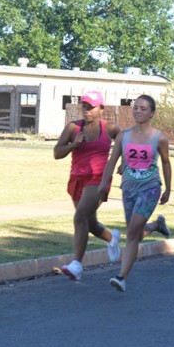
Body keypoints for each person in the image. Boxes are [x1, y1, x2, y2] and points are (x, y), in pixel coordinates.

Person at [98, 95, 172, 292]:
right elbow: (112, 160)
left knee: (131, 234)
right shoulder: (124, 136)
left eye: (143, 108)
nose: (138, 111)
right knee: (135, 233)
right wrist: (104, 183)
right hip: (129, 189)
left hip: (150, 188)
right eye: (136, 107)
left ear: (152, 113)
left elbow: (165, 162)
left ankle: (121, 277)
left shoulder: (159, 138)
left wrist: (168, 188)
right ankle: (157, 225)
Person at [54, 91, 121, 281]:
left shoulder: (110, 128)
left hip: (99, 178)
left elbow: (126, 144)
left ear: (101, 108)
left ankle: (76, 265)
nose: (86, 111)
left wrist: (124, 163)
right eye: (84, 106)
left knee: (80, 216)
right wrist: (73, 145)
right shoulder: (73, 128)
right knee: (89, 223)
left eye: (91, 107)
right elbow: (57, 153)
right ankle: (111, 238)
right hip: (77, 178)